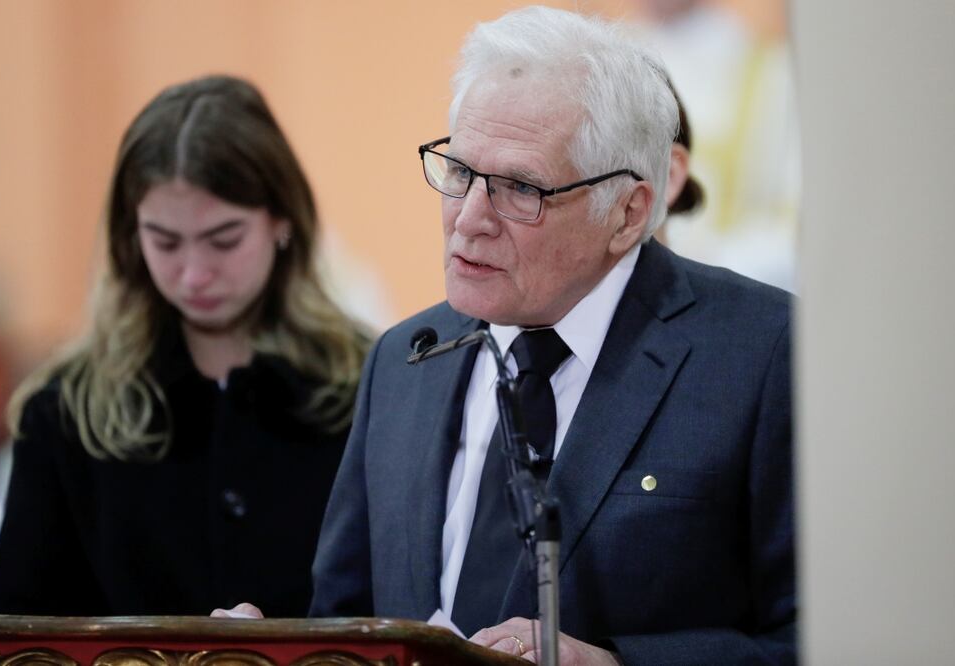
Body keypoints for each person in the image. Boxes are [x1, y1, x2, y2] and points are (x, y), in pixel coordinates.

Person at [306, 7, 794, 664]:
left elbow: (822, 638)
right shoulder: (404, 357)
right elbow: (342, 621)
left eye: (520, 188)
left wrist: (617, 664)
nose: (469, 220)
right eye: (459, 173)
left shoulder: (761, 355)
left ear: (628, 212)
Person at [0, 74, 369, 617]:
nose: (193, 275)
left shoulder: (370, 388)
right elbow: (17, 638)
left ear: (283, 221)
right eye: (165, 241)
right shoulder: (66, 410)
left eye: (223, 239)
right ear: (130, 238)